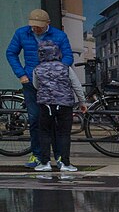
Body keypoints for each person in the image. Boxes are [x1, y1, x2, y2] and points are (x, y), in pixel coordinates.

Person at [8, 9, 73, 171]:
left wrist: (57, 72)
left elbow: (68, 57)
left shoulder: (59, 36)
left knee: (56, 122)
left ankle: (59, 157)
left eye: (38, 26)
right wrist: (21, 74)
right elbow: (11, 53)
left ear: (47, 24)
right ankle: (38, 156)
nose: (35, 29)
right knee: (35, 118)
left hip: (53, 85)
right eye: (33, 26)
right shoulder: (22, 33)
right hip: (30, 82)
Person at [28, 34, 82, 175]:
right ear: (57, 53)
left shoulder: (37, 69)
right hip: (64, 104)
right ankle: (65, 163)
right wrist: (82, 101)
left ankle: (45, 162)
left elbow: (35, 85)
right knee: (64, 133)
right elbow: (76, 85)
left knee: (45, 132)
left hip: (45, 105)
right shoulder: (65, 67)